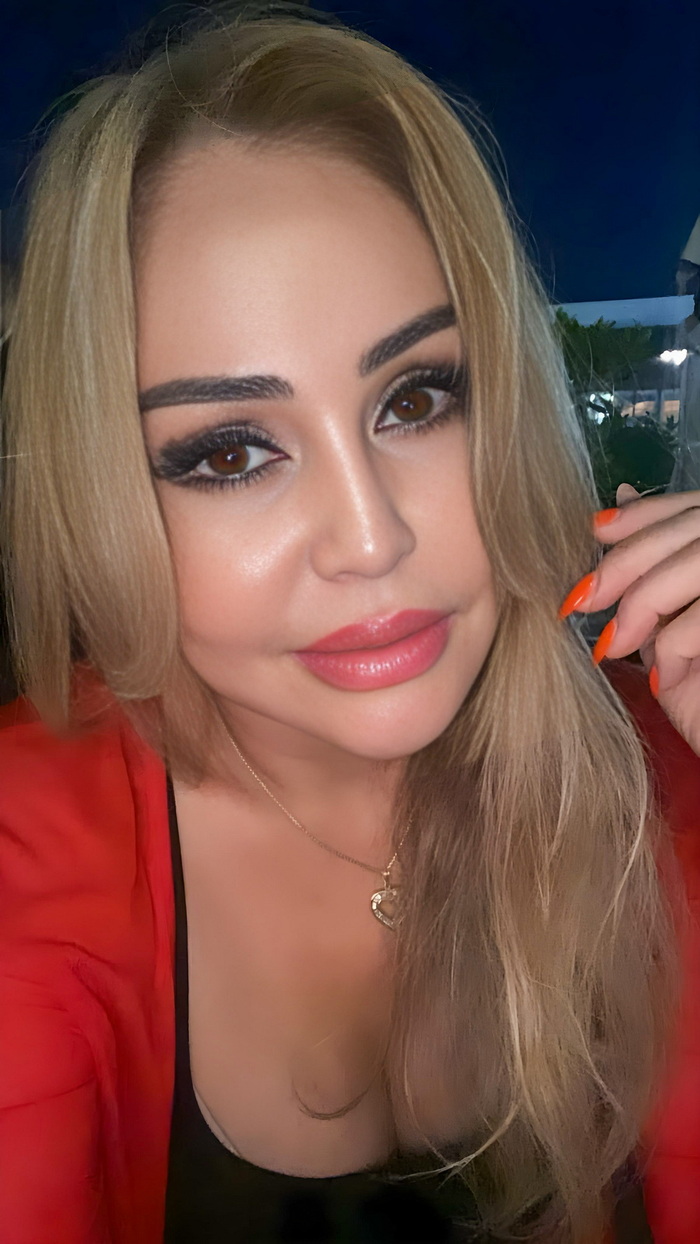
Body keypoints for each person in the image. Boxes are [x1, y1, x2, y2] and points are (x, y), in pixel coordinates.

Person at [1, 4, 700, 1241]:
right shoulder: (25, 865)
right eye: (229, 451)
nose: (370, 538)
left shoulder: (665, 776)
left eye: (416, 398)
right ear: (105, 494)